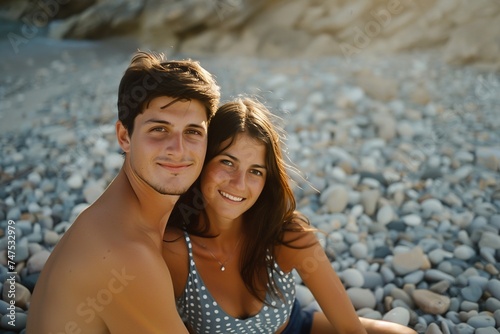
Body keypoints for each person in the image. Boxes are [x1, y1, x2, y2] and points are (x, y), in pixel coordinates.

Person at [162, 97, 418, 334]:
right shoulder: (174, 249)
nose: (238, 183)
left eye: (256, 171)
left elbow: (351, 329)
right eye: (227, 162)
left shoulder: (286, 236)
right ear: (202, 161)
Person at [27, 51, 220, 333]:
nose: (178, 150)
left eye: (192, 132)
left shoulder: (112, 217)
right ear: (124, 136)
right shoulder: (129, 258)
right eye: (159, 129)